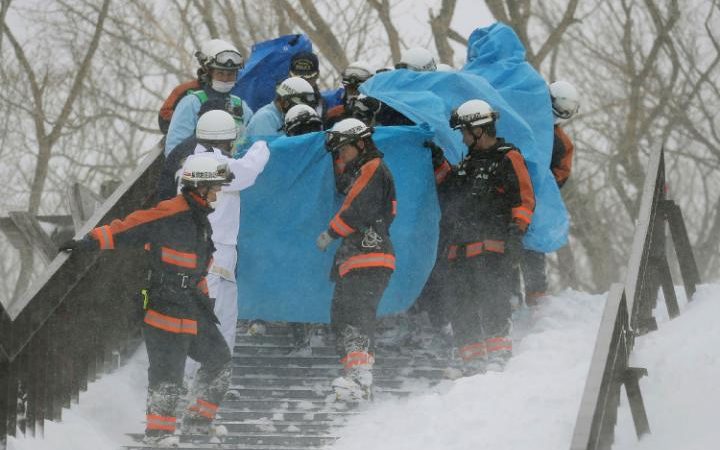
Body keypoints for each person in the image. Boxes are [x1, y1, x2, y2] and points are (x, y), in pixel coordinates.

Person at [60, 155, 236, 447]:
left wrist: (205, 298)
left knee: (220, 362)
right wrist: (87, 243)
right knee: (167, 380)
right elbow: (127, 227)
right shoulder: (169, 213)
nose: (217, 194)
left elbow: (199, 267)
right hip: (164, 307)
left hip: (192, 307)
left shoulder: (200, 221)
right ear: (198, 186)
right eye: (214, 187)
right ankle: (158, 437)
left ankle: (196, 424)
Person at [157, 110, 270, 381]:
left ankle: (213, 382)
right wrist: (263, 143)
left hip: (219, 252)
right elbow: (249, 170)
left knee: (225, 320)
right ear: (227, 139)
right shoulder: (210, 165)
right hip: (211, 252)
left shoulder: (190, 161)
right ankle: (190, 383)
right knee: (208, 320)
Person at [437, 99, 535, 375]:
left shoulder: (507, 157)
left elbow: (524, 198)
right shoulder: (468, 162)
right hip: (461, 247)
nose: (463, 137)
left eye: (465, 131)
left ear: (478, 129)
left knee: (493, 299)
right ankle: (472, 360)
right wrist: (436, 162)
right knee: (461, 303)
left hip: (491, 246)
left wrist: (517, 231)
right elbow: (450, 189)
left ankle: (499, 355)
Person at [316, 118, 397, 401]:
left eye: (343, 149)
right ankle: (356, 377)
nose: (340, 156)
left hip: (368, 255)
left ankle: (361, 380)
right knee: (343, 315)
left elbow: (356, 208)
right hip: (357, 257)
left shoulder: (372, 167)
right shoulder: (362, 169)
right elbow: (344, 186)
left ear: (360, 144)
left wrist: (330, 232)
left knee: (357, 313)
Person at [522, 80, 580, 306]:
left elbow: (561, 173)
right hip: (520, 195)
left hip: (534, 199)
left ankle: (535, 297)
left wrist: (543, 185)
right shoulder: (527, 125)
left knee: (532, 247)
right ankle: (523, 296)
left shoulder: (560, 142)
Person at [164, 39, 254, 155]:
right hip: (199, 169)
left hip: (232, 169)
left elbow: (252, 141)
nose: (225, 79)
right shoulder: (192, 103)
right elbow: (175, 146)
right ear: (209, 73)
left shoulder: (241, 106)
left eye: (230, 74)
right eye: (220, 73)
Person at [245, 76, 317, 139]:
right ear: (284, 101)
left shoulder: (284, 118)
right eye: (297, 106)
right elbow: (269, 152)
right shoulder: (265, 119)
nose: (299, 111)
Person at [325, 61, 374, 128]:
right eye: (350, 89)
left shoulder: (379, 113)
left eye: (359, 91)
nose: (354, 95)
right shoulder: (334, 114)